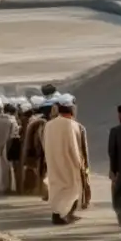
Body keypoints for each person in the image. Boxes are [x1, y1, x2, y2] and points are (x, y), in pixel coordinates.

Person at [43, 95, 86, 225]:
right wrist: (79, 164)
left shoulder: (49, 125)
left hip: (53, 161)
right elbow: (73, 147)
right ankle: (62, 215)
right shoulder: (72, 125)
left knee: (56, 188)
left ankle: (58, 213)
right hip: (68, 163)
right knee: (71, 189)